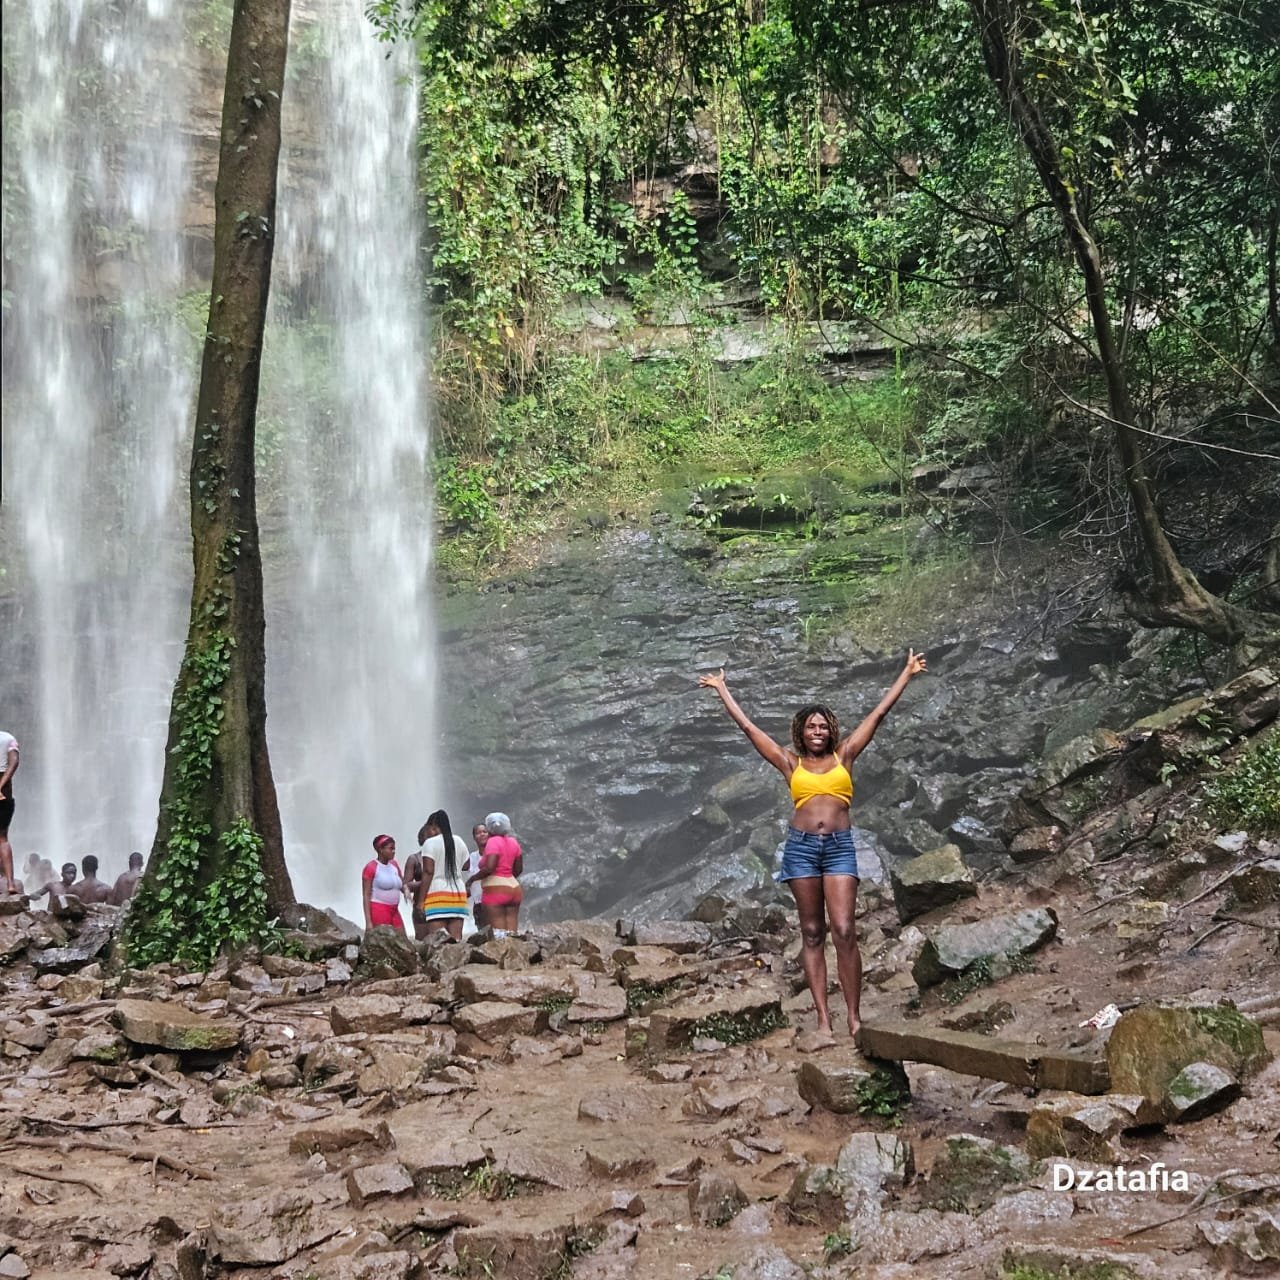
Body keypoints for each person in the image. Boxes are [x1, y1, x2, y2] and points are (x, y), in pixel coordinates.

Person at [698, 650, 927, 1039]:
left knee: (844, 929)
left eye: (823, 726)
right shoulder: (790, 763)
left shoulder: (846, 755)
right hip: (801, 848)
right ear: (800, 732)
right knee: (811, 932)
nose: (817, 731)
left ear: (832, 731)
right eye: (810, 727)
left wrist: (906, 673)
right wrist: (723, 690)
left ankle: (854, 1017)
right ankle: (824, 1020)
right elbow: (751, 731)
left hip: (838, 846)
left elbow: (878, 715)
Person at [415, 810, 471, 941]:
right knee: (456, 940)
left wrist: (421, 901)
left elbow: (428, 872)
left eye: (428, 828)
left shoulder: (430, 843)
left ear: (433, 827)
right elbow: (467, 865)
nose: (427, 832)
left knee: (438, 941)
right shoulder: (458, 840)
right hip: (458, 894)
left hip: (437, 894)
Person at [478, 811, 523, 936]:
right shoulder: (514, 842)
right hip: (514, 887)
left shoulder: (492, 842)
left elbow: (490, 867)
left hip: (496, 889)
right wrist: (507, 877)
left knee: (499, 934)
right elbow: (518, 869)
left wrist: (472, 879)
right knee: (512, 934)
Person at [362, 834, 405, 932]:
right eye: (391, 848)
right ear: (381, 850)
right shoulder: (371, 867)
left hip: (394, 910)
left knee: (403, 941)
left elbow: (403, 885)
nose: (394, 851)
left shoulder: (394, 865)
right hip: (379, 909)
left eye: (394, 849)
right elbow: (366, 895)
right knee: (385, 943)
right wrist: (368, 922)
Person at [0, 729, 20, 894]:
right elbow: (14, 763)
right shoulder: (8, 738)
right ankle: (11, 884)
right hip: (4, 794)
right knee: (2, 838)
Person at [467, 822, 489, 928]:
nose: (482, 834)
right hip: (478, 903)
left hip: (494, 900)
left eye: (485, 832)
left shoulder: (495, 855)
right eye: (478, 833)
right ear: (474, 838)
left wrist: (471, 880)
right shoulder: (471, 857)